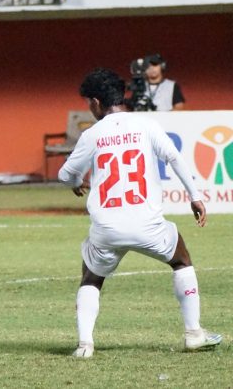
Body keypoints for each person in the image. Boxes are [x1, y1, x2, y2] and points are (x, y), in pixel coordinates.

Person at [58, 68, 221, 358]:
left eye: (88, 103)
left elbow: (66, 174)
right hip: (147, 223)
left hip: (107, 227)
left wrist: (75, 183)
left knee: (91, 278)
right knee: (181, 260)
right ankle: (194, 333)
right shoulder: (146, 125)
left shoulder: (93, 134)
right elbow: (174, 157)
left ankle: (85, 345)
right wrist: (195, 197)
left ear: (96, 102)